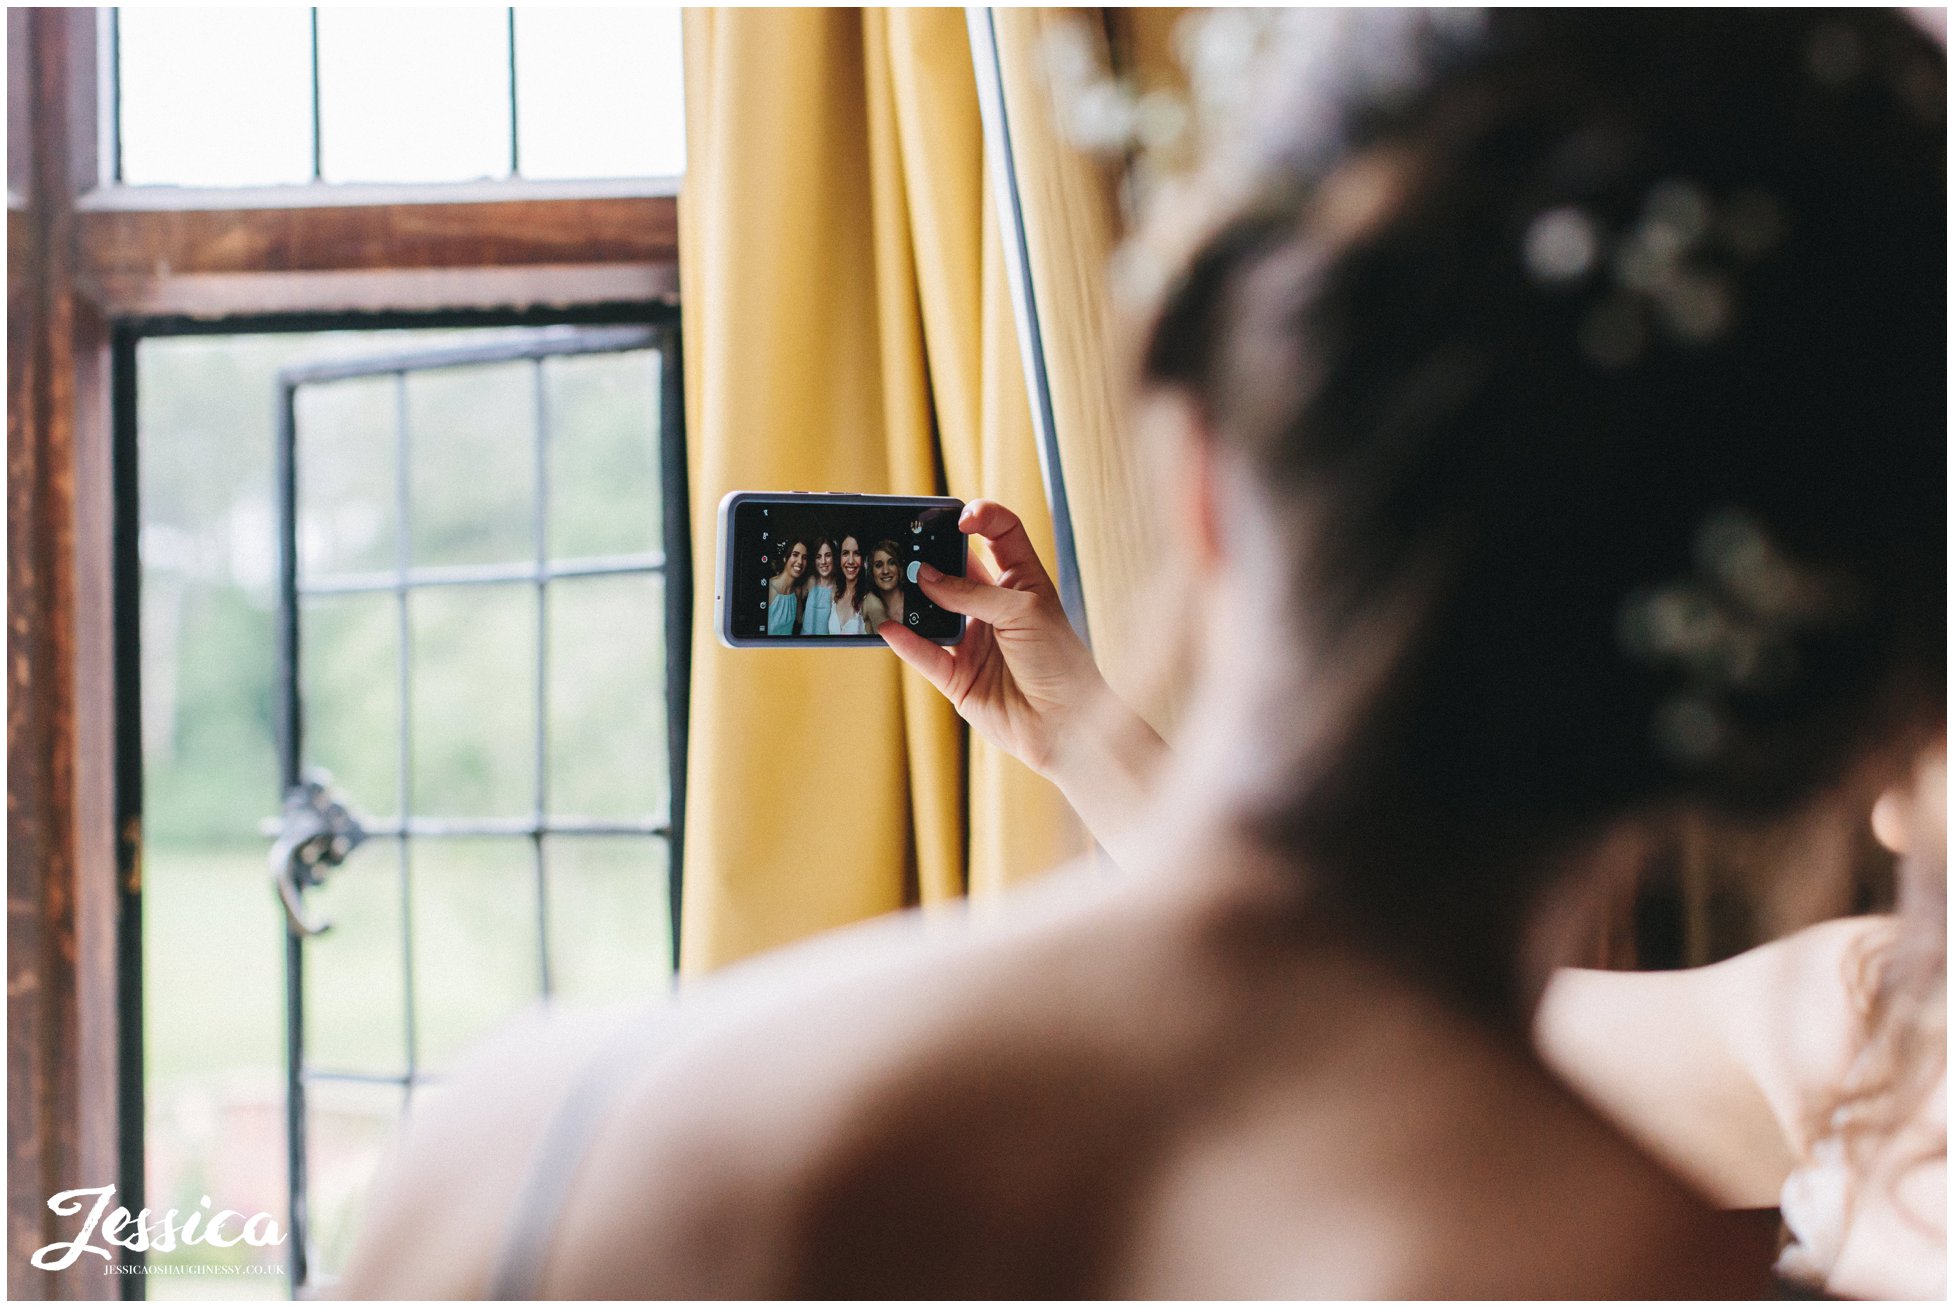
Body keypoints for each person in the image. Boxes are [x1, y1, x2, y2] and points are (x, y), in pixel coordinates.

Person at [341, 11, 1941, 1299]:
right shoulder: (1635, 1260)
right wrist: (1079, 732)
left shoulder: (530, 1141)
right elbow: (1392, 1007)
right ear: (1808, 712)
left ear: (1197, 464)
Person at [829, 533, 871, 635]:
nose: (851, 561)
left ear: (863, 560)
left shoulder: (870, 601)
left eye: (857, 553)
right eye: (845, 553)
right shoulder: (835, 593)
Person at [764, 538, 807, 636]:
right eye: (795, 555)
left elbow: (800, 620)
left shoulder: (797, 592)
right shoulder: (770, 587)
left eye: (804, 557)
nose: (800, 561)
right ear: (785, 558)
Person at [861, 539, 905, 631]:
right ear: (872, 572)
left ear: (900, 569)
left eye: (892, 563)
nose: (885, 571)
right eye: (878, 565)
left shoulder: (913, 603)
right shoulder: (870, 601)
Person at [799, 536, 836, 635]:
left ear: (834, 557)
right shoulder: (811, 581)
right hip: (804, 643)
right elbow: (796, 598)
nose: (823, 561)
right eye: (818, 557)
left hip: (825, 646)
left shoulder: (839, 586)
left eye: (828, 555)